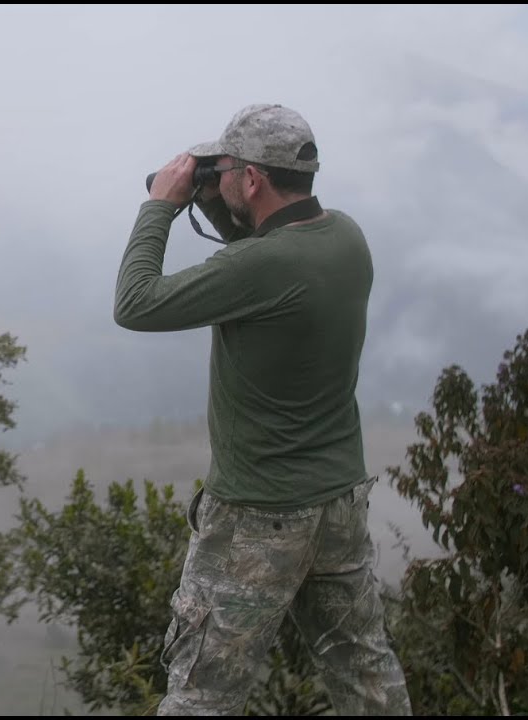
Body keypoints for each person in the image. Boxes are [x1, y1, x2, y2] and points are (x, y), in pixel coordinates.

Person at [112, 104, 413, 716]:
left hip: (257, 516)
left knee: (202, 694)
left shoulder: (258, 267)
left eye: (225, 170)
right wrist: (216, 198)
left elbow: (135, 303)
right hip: (337, 504)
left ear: (251, 179)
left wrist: (161, 206)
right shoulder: (345, 237)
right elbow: (266, 257)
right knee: (363, 671)